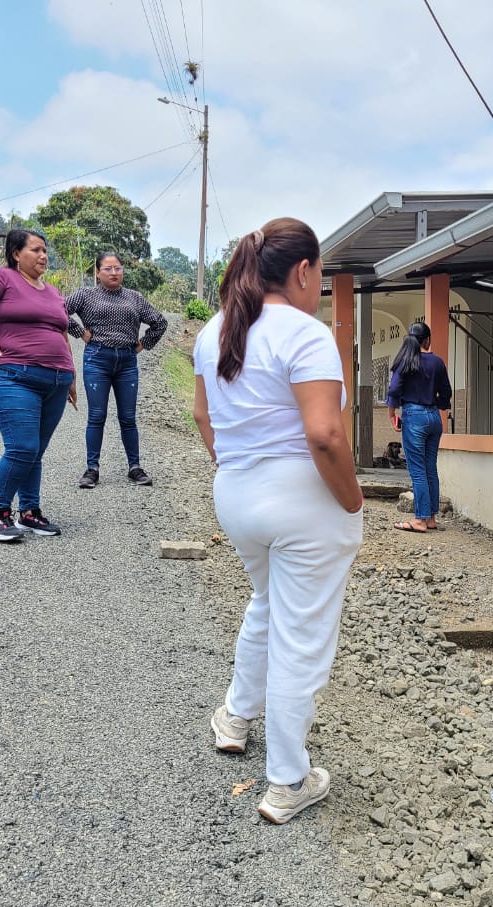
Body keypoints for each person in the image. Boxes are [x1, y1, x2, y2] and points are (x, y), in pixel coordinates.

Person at [191, 217, 363, 824]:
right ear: (303, 271)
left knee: (268, 604)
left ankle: (236, 716)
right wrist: (353, 501)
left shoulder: (214, 330)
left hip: (236, 494)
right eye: (321, 275)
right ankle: (288, 779)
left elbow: (203, 417)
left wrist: (239, 468)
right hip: (301, 499)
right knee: (302, 635)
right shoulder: (306, 333)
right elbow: (325, 434)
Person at [0, 229, 77, 542]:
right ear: (16, 253)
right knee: (22, 447)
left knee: (36, 451)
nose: (43, 256)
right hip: (13, 376)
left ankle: (29, 512)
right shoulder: (2, 279)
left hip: (57, 380)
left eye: (45, 250)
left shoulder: (53, 292)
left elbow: (61, 333)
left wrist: (71, 374)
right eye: (36, 250)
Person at [65, 252, 167, 488]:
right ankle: (92, 469)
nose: (113, 273)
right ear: (97, 272)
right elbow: (57, 310)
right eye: (108, 269)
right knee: (97, 415)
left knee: (128, 417)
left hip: (127, 362)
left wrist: (143, 344)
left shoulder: (135, 298)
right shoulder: (85, 295)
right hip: (97, 359)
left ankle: (135, 467)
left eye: (118, 268)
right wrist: (80, 332)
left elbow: (160, 322)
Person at [386, 322, 452, 533]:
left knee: (417, 470)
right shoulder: (437, 362)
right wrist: (437, 404)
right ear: (427, 340)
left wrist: (392, 414)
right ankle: (431, 518)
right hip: (434, 418)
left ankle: (420, 520)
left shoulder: (405, 360)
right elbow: (446, 392)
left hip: (414, 417)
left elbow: (394, 389)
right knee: (430, 468)